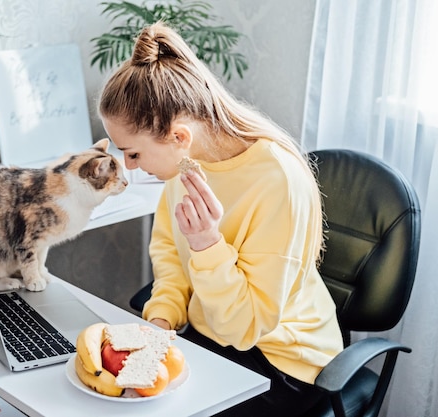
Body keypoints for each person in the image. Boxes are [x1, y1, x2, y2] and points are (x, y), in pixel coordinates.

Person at [98, 21, 344, 416]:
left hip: (282, 360)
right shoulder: (186, 166)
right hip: (211, 333)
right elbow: (170, 258)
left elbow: (244, 328)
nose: (128, 166)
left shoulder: (276, 178)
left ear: (179, 136)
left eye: (134, 154)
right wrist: (161, 320)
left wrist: (208, 245)